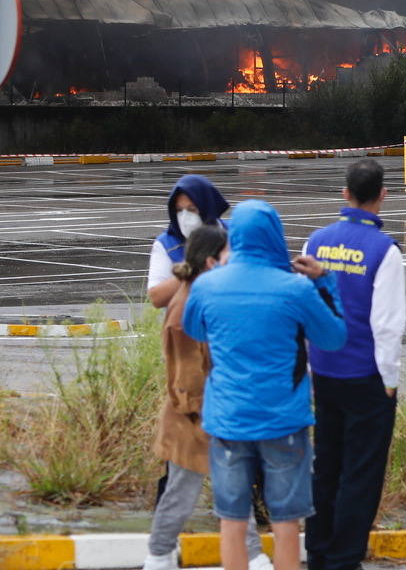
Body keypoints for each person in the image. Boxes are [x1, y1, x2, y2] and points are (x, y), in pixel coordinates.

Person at [182, 199, 347, 570]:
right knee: (286, 521)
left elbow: (194, 328)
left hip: (228, 418)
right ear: (275, 234)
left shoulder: (208, 285)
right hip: (283, 419)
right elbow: (334, 337)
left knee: (232, 519)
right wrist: (325, 281)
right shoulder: (295, 288)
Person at [296, 160, 406, 570]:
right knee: (361, 472)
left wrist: (308, 366)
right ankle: (344, 558)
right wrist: (389, 382)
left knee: (325, 466)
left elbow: (304, 309)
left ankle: (319, 553)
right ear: (382, 195)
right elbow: (387, 326)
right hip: (366, 377)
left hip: (323, 373)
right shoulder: (385, 250)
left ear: (345, 194)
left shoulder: (316, 241)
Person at [143, 225, 272, 570]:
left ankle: (251, 555)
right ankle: (158, 555)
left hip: (210, 413)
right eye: (228, 253)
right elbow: (186, 376)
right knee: (183, 493)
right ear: (212, 261)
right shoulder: (187, 307)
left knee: (231, 489)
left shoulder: (201, 295)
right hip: (195, 418)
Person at [148, 174, 229, 309]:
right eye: (179, 210)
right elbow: (156, 298)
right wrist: (192, 270)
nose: (185, 217)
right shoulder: (167, 244)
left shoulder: (233, 234)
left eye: (192, 210)